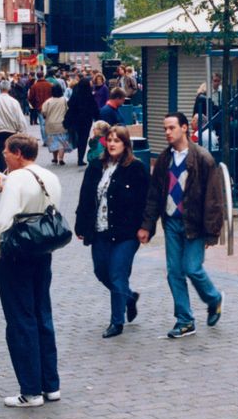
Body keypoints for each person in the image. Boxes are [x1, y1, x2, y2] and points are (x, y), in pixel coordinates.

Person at [0, 133, 63, 407]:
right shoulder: (50, 177)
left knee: (20, 319)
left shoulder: (17, 179)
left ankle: (30, 390)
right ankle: (50, 384)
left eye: (7, 152)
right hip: (42, 251)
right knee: (42, 313)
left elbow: (4, 220)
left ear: (18, 153)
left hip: (16, 254)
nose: (4, 156)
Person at [138, 113, 225, 339]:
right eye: (165, 128)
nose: (167, 132)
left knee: (192, 268)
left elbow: (214, 197)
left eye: (171, 128)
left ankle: (213, 298)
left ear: (184, 128)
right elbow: (155, 194)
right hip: (172, 223)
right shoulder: (164, 160)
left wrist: (211, 232)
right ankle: (185, 320)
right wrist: (147, 225)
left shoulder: (202, 159)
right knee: (174, 272)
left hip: (194, 223)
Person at [74, 125, 149, 338]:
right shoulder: (96, 166)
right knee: (101, 271)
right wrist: (81, 225)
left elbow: (146, 200)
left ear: (126, 144)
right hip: (100, 230)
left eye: (118, 140)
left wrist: (145, 227)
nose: (113, 144)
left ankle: (117, 322)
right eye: (110, 140)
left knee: (117, 274)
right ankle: (128, 297)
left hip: (126, 232)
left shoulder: (135, 168)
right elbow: (86, 197)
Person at [0, 80, 28, 173]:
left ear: (0, 88)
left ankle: (3, 172)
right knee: (12, 152)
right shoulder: (14, 102)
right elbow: (20, 118)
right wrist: (22, 131)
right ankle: (12, 171)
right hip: (12, 131)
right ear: (9, 89)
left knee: (1, 153)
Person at [64, 77, 99, 166]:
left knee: (78, 137)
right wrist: (97, 118)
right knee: (83, 139)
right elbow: (94, 108)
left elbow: (70, 105)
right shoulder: (89, 95)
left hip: (76, 120)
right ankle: (80, 158)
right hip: (86, 121)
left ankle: (78, 151)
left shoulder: (75, 94)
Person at [41, 83, 70, 165]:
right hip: (62, 124)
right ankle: (61, 158)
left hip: (50, 125)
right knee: (62, 142)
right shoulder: (65, 100)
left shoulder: (48, 102)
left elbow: (44, 112)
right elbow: (68, 110)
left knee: (53, 142)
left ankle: (54, 158)